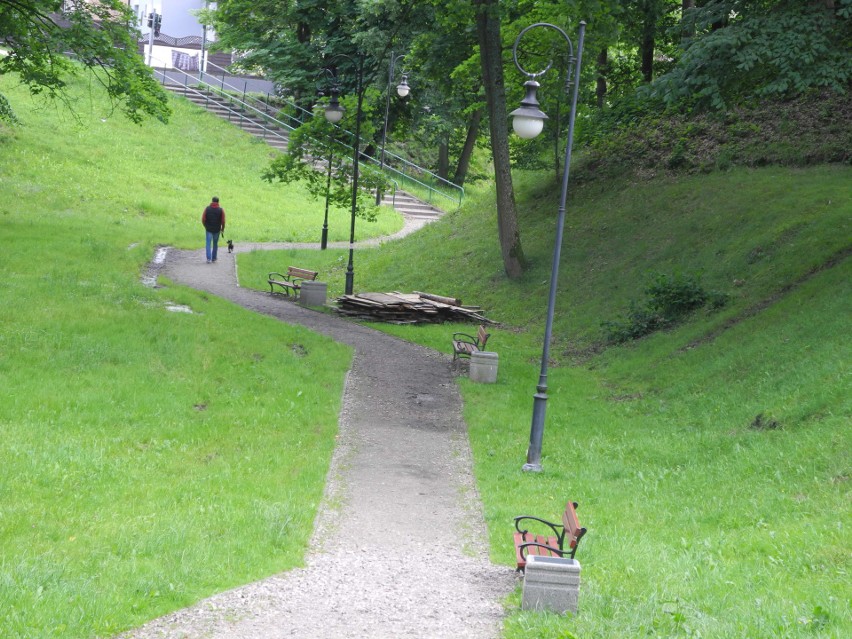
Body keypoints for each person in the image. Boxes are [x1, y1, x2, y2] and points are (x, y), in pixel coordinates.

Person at [201, 196, 226, 263]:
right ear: (218, 202)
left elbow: (203, 219)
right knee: (215, 243)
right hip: (217, 229)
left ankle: (208, 259)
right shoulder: (221, 210)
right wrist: (222, 229)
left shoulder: (207, 209)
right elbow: (223, 221)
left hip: (208, 229)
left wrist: (205, 226)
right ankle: (214, 258)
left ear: (212, 201)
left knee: (208, 243)